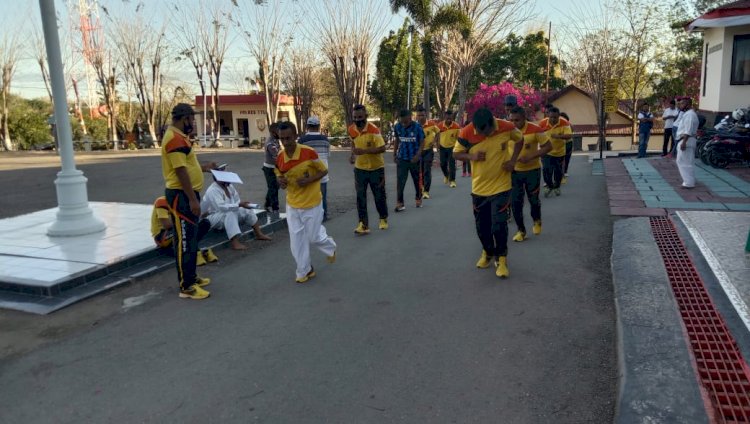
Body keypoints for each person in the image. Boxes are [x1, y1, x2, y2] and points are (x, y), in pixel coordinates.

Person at [453, 107, 523, 279]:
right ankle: (487, 252)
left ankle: (502, 259)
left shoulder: (506, 126)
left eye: (491, 130)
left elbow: (520, 140)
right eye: (485, 132)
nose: (489, 134)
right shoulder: (467, 132)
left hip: (502, 186)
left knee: (499, 225)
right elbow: (456, 154)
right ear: (477, 128)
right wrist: (472, 157)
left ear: (493, 122)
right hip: (479, 189)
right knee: (482, 229)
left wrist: (512, 161)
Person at [161, 103, 217, 300]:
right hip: (181, 196)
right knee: (185, 241)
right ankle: (187, 286)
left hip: (186, 195)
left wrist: (204, 167)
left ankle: (192, 277)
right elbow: (180, 171)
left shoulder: (180, 138)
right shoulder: (174, 140)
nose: (193, 123)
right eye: (191, 120)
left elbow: (187, 166)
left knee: (191, 239)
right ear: (184, 119)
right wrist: (193, 200)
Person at [275, 121, 336, 283]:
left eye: (288, 138)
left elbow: (323, 171)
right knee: (296, 241)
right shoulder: (280, 157)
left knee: (314, 237)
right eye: (282, 139)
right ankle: (304, 270)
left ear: (296, 136)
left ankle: (330, 247)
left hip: (312, 203)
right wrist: (280, 181)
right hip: (293, 204)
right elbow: (279, 174)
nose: (286, 142)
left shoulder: (309, 153)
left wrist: (309, 180)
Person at [508, 106, 551, 242]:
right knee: (516, 203)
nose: (514, 124)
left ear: (524, 117)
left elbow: (548, 146)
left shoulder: (535, 129)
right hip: (515, 172)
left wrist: (531, 156)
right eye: (511, 120)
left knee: (533, 200)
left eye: (517, 120)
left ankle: (537, 220)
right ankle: (521, 231)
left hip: (533, 171)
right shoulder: (507, 131)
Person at [202, 171, 272, 250]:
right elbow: (221, 207)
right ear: (219, 179)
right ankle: (235, 243)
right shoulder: (212, 190)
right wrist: (239, 205)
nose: (229, 181)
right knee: (229, 214)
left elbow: (237, 201)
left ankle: (259, 233)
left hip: (228, 213)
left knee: (245, 209)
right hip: (214, 217)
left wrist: (243, 205)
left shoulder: (229, 186)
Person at [349, 104, 389, 234]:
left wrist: (365, 151)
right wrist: (352, 155)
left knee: (379, 196)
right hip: (360, 169)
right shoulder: (351, 129)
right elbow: (353, 143)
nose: (357, 120)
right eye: (355, 117)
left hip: (376, 169)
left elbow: (383, 148)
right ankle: (363, 224)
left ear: (366, 116)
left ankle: (383, 218)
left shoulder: (374, 130)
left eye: (360, 117)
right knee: (360, 197)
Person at [151, 196, 218, 266]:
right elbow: (166, 225)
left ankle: (192, 250)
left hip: (177, 233)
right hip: (162, 236)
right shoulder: (161, 202)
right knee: (186, 226)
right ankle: (195, 252)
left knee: (205, 223)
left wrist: (204, 214)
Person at [299, 116, 331, 221]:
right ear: (318, 126)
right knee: (322, 196)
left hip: (308, 175)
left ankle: (310, 217)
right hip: (323, 173)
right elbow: (327, 155)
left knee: (308, 196)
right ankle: (324, 215)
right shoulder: (325, 139)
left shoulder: (302, 140)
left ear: (307, 126)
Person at [393, 109, 426, 211]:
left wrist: (418, 155)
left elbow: (422, 142)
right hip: (402, 158)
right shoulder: (397, 126)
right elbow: (397, 140)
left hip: (414, 159)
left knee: (417, 181)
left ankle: (418, 198)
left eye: (405, 122)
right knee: (400, 182)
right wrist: (394, 154)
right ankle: (400, 203)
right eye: (401, 121)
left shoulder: (417, 127)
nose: (403, 124)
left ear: (410, 118)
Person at [538, 107, 571, 197]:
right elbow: (536, 134)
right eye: (551, 117)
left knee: (558, 172)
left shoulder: (564, 122)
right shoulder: (542, 123)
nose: (553, 119)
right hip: (546, 151)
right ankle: (549, 186)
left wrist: (559, 136)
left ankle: (556, 187)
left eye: (555, 117)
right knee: (546, 169)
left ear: (558, 116)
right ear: (548, 116)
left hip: (559, 152)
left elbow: (569, 135)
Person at [675, 97, 699, 188]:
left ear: (687, 104)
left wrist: (684, 142)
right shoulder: (688, 114)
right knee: (686, 161)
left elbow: (688, 130)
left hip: (686, 140)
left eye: (682, 103)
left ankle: (689, 183)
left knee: (684, 162)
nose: (680, 105)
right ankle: (689, 180)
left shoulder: (690, 115)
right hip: (687, 140)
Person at [416, 106, 439, 199]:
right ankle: (421, 187)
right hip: (418, 152)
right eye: (419, 115)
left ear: (426, 115)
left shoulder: (432, 124)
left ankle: (426, 191)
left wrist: (434, 142)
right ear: (417, 116)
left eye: (423, 115)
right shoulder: (415, 125)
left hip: (428, 151)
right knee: (419, 171)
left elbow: (438, 132)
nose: (421, 117)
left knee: (426, 170)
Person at [437, 110, 461, 188]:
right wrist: (437, 145)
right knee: (442, 164)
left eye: (450, 118)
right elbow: (437, 136)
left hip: (452, 148)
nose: (449, 120)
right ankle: (446, 175)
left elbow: (459, 138)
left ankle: (452, 181)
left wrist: (458, 148)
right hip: (442, 147)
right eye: (447, 118)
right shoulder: (440, 126)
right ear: (445, 117)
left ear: (452, 118)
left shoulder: (456, 126)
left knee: (452, 165)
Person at [262, 122, 281, 213]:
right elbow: (277, 155)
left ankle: (267, 204)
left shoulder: (275, 140)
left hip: (275, 167)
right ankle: (275, 208)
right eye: (278, 131)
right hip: (269, 169)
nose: (280, 133)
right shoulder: (270, 143)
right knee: (273, 188)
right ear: (274, 132)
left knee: (274, 187)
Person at [560, 111, 574, 184]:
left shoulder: (569, 124)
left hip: (568, 143)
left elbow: (571, 132)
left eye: (564, 118)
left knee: (567, 157)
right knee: (561, 158)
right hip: (560, 143)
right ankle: (561, 172)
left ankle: (565, 171)